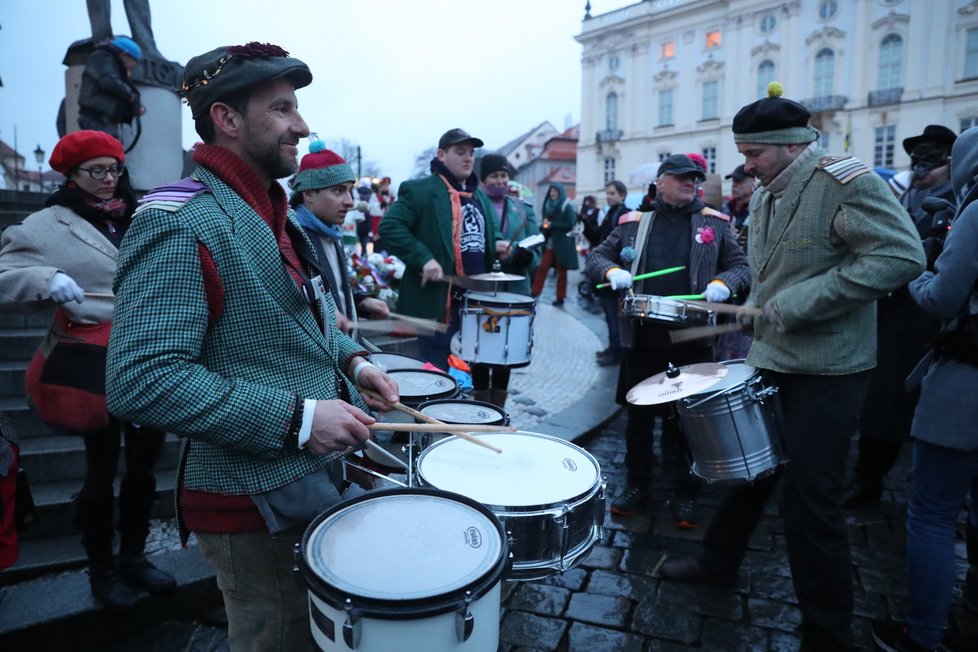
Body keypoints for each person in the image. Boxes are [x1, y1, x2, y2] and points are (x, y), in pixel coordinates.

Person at [104, 43, 399, 651]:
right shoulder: (177, 220)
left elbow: (299, 318)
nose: (302, 125)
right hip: (247, 503)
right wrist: (299, 419)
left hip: (302, 482)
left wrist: (353, 360)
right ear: (227, 119)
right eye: (283, 108)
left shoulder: (270, 208)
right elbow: (141, 379)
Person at [657, 83, 926, 651]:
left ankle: (826, 630)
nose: (745, 165)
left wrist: (796, 305)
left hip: (830, 367)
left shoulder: (842, 183)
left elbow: (901, 256)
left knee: (811, 500)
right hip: (772, 356)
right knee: (748, 470)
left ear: (787, 145)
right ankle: (718, 562)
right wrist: (741, 301)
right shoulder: (765, 193)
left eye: (753, 154)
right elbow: (772, 268)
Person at [0, 130, 175, 610]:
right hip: (91, 363)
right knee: (100, 471)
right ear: (71, 175)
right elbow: (4, 275)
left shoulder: (142, 215)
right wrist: (45, 279)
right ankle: (101, 568)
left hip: (150, 357)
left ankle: (136, 556)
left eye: (114, 169)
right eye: (95, 171)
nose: (107, 180)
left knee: (143, 469)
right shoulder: (43, 226)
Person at [586, 154, 751, 525]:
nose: (690, 183)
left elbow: (741, 266)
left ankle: (685, 490)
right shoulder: (633, 223)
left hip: (692, 338)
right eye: (680, 178)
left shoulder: (714, 223)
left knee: (687, 420)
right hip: (643, 337)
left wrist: (725, 283)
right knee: (639, 420)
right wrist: (612, 270)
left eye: (694, 178)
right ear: (660, 182)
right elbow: (597, 256)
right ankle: (638, 485)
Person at [871, 126, 978, 652]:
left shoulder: (975, 212)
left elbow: (939, 297)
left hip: (967, 384)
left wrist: (919, 268)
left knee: (933, 514)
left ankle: (924, 632)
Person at [845, 126, 957, 509]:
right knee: (875, 396)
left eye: (933, 155)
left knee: (893, 401)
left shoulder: (954, 201)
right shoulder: (903, 193)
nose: (922, 163)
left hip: (917, 315)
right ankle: (867, 473)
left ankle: (872, 478)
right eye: (918, 155)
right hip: (882, 309)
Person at [379, 128, 497, 370]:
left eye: (472, 153)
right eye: (460, 152)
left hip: (475, 302)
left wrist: (500, 245)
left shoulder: (479, 196)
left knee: (471, 369)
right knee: (436, 373)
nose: (468, 158)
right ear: (441, 154)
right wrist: (424, 259)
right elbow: (390, 226)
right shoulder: (420, 190)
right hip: (439, 303)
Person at [289, 142, 390, 333]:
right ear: (309, 194)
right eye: (338, 191)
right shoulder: (292, 239)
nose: (350, 201)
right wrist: (323, 312)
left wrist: (361, 302)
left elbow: (335, 291)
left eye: (349, 190)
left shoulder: (333, 232)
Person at [473, 153, 540, 409]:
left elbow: (536, 250)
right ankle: (480, 408)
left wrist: (524, 257)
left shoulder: (523, 209)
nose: (500, 181)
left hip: (514, 289)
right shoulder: (475, 204)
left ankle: (497, 409)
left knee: (505, 352)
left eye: (504, 175)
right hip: (483, 288)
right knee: (480, 351)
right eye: (494, 176)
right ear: (483, 179)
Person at [590, 180, 631, 367]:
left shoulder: (623, 215)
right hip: (606, 271)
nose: (609, 197)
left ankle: (616, 351)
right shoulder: (610, 214)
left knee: (615, 315)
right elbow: (598, 237)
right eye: (607, 193)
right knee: (608, 313)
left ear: (622, 195)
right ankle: (612, 346)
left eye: (612, 193)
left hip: (615, 273)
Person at [77, 36, 145, 140]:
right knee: (103, 152)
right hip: (96, 118)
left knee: (110, 152)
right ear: (124, 54)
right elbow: (109, 82)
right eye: (134, 60)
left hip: (104, 118)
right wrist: (131, 96)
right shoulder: (102, 57)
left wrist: (134, 105)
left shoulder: (111, 62)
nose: (133, 65)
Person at [530, 183, 579, 306]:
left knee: (562, 272)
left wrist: (552, 225)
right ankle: (534, 293)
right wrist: (543, 227)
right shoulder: (547, 206)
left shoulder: (566, 206)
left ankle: (560, 297)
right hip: (550, 244)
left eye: (555, 191)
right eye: (551, 191)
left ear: (560, 192)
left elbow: (570, 223)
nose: (552, 193)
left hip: (562, 245)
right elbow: (546, 225)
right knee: (542, 268)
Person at [722, 164, 754, 232]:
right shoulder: (726, 207)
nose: (733, 185)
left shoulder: (758, 208)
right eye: (733, 181)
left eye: (739, 181)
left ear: (752, 182)